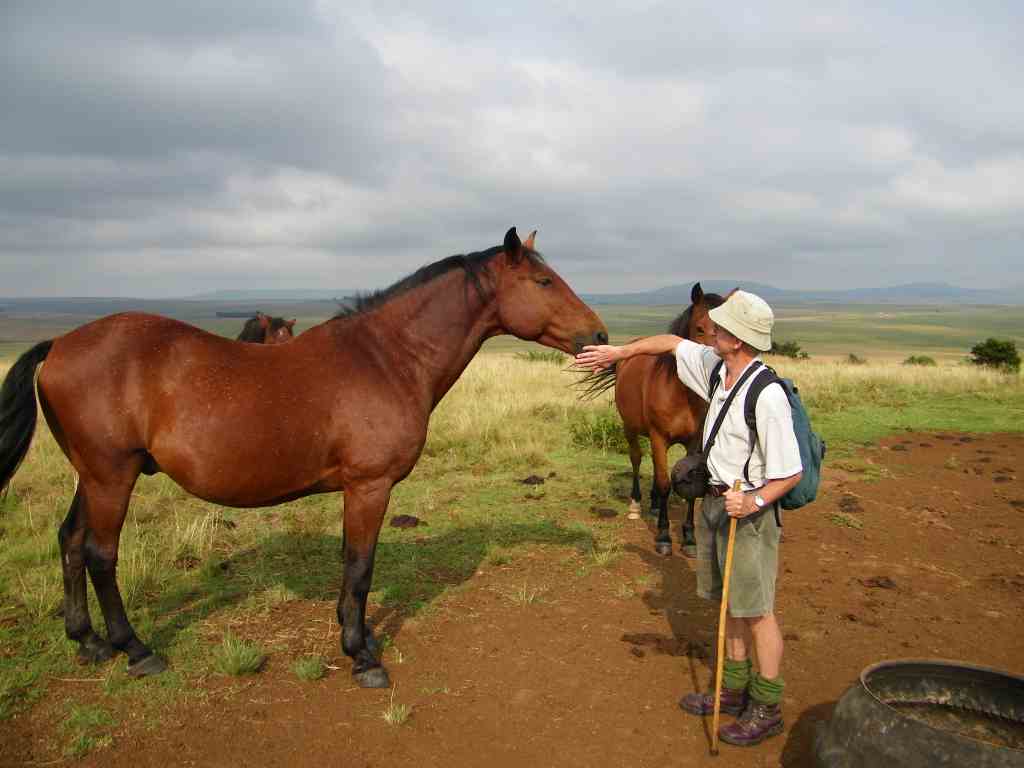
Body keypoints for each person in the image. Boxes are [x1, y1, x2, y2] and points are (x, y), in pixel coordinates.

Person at [575, 290, 802, 747]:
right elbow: (670, 344)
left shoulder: (767, 394)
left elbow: (790, 471)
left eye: (719, 326)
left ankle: (767, 706)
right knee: (728, 606)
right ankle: (734, 691)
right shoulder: (715, 368)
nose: (709, 330)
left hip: (748, 514)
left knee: (757, 612)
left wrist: (755, 502)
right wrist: (622, 352)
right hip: (716, 505)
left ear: (737, 338)